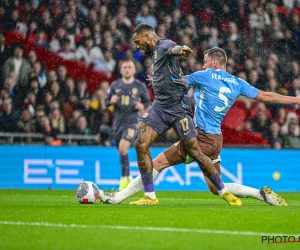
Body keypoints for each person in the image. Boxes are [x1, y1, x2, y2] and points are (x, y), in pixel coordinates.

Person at [99, 47, 299, 206]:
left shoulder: (205, 75)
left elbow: (179, 81)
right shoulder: (237, 82)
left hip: (200, 137)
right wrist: (295, 99)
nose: (202, 66)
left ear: (214, 63)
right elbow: (265, 96)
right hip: (216, 139)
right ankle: (260, 194)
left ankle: (119, 197)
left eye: (204, 62)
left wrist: (158, 79)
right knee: (214, 186)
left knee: (158, 162)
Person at [130, 24, 241, 206]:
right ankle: (150, 196)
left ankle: (223, 191)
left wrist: (182, 50)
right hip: (160, 106)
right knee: (141, 143)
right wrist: (157, 79)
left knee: (195, 151)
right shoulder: (154, 53)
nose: (137, 45)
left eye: (138, 41)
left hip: (177, 108)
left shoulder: (165, 45)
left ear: (148, 36)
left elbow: (173, 50)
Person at [105, 59, 151, 190]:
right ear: (121, 70)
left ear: (134, 70)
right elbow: (106, 102)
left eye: (129, 67)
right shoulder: (115, 85)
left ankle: (124, 179)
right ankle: (128, 177)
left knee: (122, 149)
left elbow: (148, 101)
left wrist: (142, 105)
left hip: (132, 122)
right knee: (121, 152)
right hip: (117, 123)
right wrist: (110, 101)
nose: (126, 69)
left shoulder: (139, 86)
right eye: (124, 67)